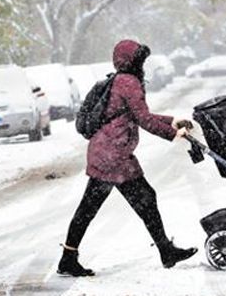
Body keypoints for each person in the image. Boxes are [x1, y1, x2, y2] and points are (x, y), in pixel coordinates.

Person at [57, 39, 197, 277]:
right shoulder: (128, 82)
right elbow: (143, 119)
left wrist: (171, 120)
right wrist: (174, 134)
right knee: (104, 205)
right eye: (140, 60)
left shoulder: (121, 81)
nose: (143, 64)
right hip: (112, 156)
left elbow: (140, 114)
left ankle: (69, 258)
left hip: (110, 152)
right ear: (132, 61)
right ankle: (165, 251)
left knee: (120, 202)